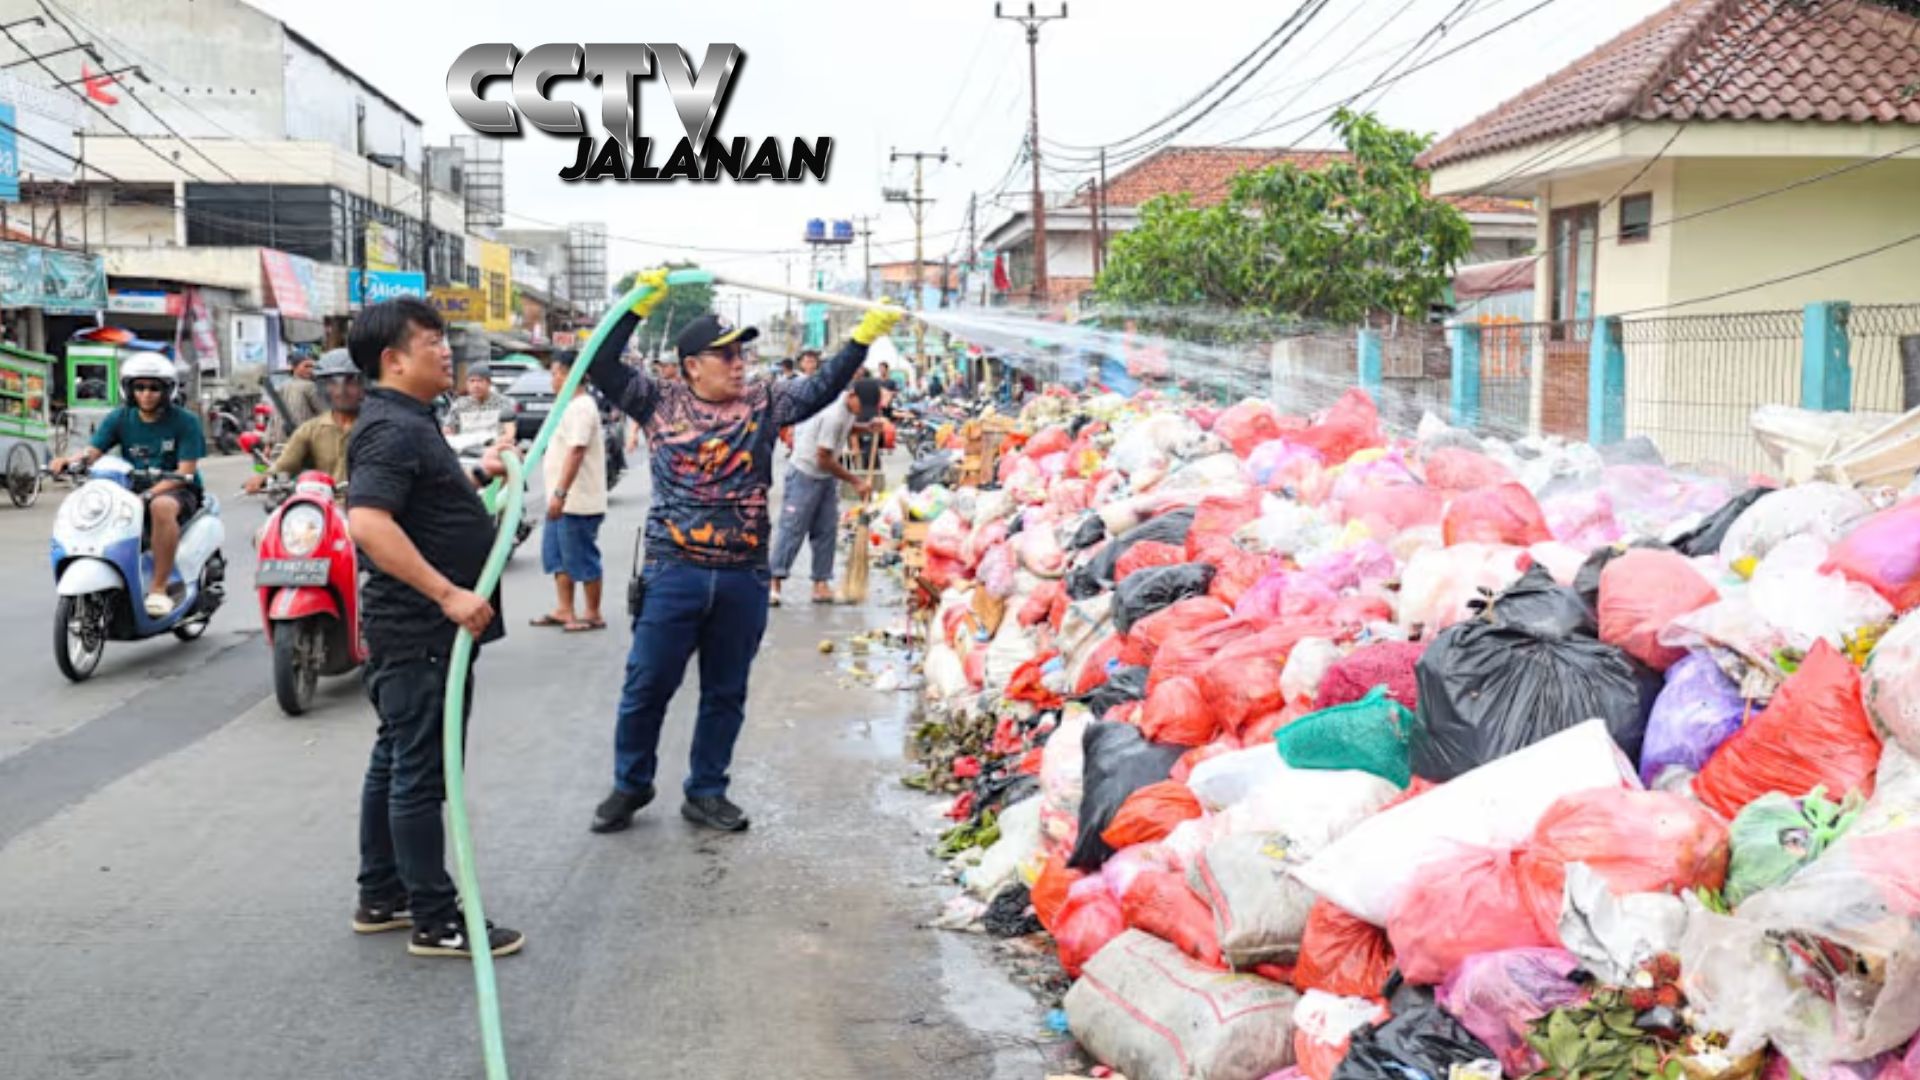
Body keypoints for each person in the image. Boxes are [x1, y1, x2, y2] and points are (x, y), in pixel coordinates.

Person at [586, 271, 902, 835]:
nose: (738, 363)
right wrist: (637, 307)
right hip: (672, 570)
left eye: (741, 353)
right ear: (691, 366)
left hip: (743, 576)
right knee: (647, 685)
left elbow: (821, 387)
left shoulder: (765, 400)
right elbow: (601, 363)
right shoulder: (658, 402)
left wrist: (861, 340)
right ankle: (630, 783)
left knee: (725, 691)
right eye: (724, 355)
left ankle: (707, 790)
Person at [343, 297, 522, 959]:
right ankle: (436, 917)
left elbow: (419, 501)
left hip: (416, 632)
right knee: (420, 772)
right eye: (430, 342)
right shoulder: (392, 427)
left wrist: (480, 472)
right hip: (420, 630)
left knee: (395, 758)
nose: (446, 351)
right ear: (393, 361)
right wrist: (448, 594)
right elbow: (369, 523)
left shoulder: (410, 421)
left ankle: (381, 894)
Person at [49, 354, 206, 618]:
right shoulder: (120, 418)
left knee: (161, 507)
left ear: (168, 390)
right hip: (133, 488)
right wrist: (68, 461)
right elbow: (93, 452)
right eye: (140, 387)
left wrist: (149, 493)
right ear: (129, 389)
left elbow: (186, 471)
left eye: (154, 388)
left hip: (179, 489)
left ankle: (158, 588)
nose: (147, 394)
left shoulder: (185, 421)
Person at [531, 350, 608, 633]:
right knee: (557, 557)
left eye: (555, 373)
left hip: (577, 500)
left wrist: (561, 493)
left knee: (580, 557)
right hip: (559, 499)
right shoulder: (564, 405)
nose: (552, 379)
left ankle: (592, 612)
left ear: (568, 374)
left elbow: (576, 450)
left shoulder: (582, 407)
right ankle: (564, 609)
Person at [768, 387, 867, 606]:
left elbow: (846, 428)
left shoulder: (848, 409)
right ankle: (773, 582)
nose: (861, 411)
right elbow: (824, 458)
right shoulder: (833, 414)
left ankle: (821, 584)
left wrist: (866, 428)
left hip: (825, 478)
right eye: (862, 406)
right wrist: (856, 481)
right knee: (792, 529)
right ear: (852, 395)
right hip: (805, 473)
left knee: (826, 530)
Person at [245, 349, 362, 492]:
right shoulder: (309, 430)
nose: (340, 391)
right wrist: (263, 476)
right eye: (332, 383)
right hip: (321, 502)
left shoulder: (376, 426)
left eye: (350, 382)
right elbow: (285, 464)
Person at [442, 363, 517, 442]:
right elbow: (448, 430)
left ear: (489, 383)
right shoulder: (459, 405)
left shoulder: (503, 403)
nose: (476, 385)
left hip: (496, 448)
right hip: (466, 450)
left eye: (480, 381)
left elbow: (509, 433)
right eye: (472, 381)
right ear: (467, 384)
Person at [279, 352, 326, 436]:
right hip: (304, 436)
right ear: (294, 367)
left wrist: (269, 441)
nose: (310, 370)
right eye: (306, 366)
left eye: (312, 366)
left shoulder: (283, 386)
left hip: (286, 437)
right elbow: (324, 412)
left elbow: (275, 415)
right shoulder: (310, 386)